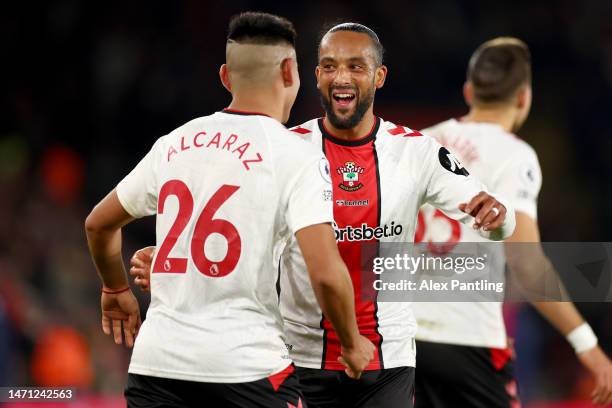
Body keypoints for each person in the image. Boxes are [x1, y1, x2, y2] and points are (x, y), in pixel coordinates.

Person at [131, 23, 516, 407]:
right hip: (297, 358)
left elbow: (497, 221)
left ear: (379, 77)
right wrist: (173, 259)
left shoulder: (417, 153)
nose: (341, 77)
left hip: (387, 363)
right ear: (315, 76)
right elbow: (233, 224)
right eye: (329, 66)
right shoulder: (284, 150)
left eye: (355, 66)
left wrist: (498, 218)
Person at [85, 12, 375, 408]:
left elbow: (99, 224)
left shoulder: (174, 143)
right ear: (290, 71)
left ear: (225, 76)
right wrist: (353, 343)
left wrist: (115, 288)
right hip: (247, 369)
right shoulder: (294, 154)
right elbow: (325, 273)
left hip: (156, 367)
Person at [413, 37, 612, 407]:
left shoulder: (418, 142)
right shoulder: (515, 155)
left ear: (469, 91)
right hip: (468, 339)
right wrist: (588, 345)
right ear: (524, 98)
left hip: (401, 340)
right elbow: (527, 263)